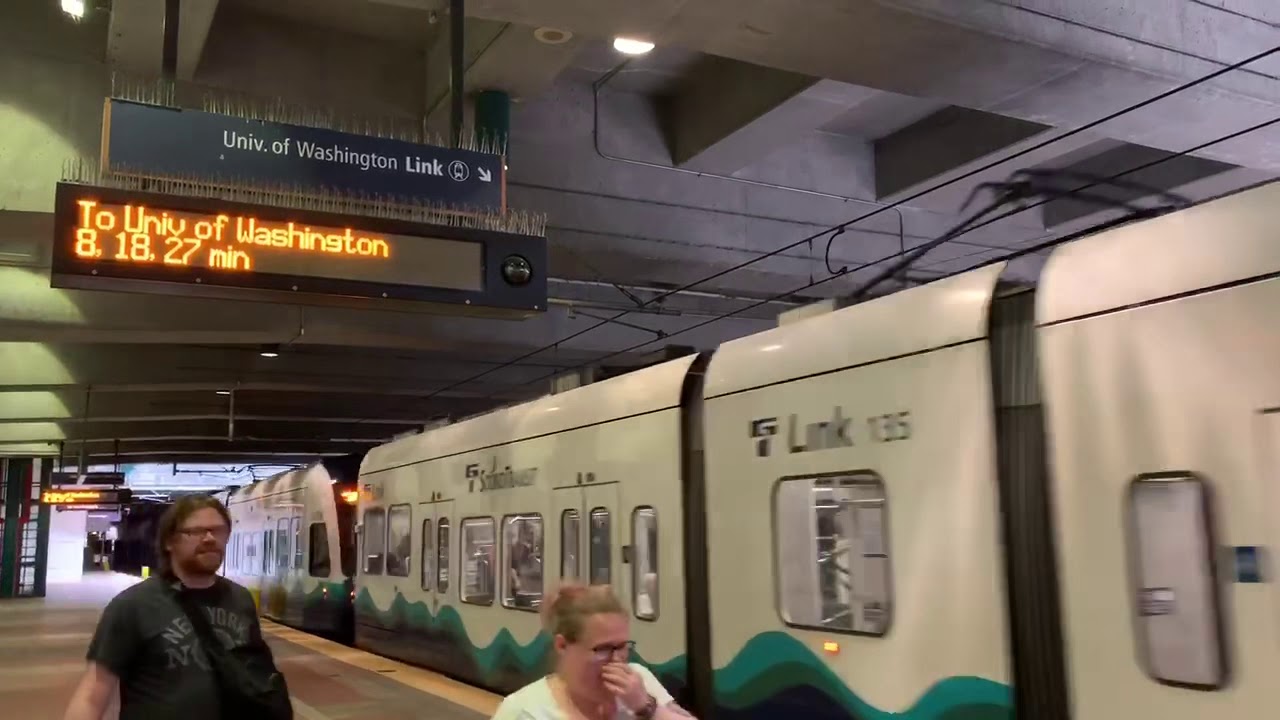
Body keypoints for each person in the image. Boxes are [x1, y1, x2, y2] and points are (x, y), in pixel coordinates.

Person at [64, 495, 290, 720]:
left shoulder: (240, 599)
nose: (210, 538)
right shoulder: (133, 606)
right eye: (196, 531)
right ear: (169, 542)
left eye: (218, 530)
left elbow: (256, 670)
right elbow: (92, 697)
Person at [492, 583, 696, 720]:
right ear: (562, 645)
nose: (617, 660)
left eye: (622, 646)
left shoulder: (639, 680)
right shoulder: (523, 711)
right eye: (603, 649)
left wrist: (646, 707)